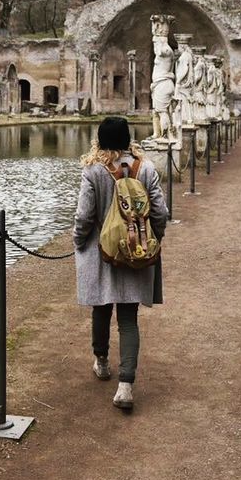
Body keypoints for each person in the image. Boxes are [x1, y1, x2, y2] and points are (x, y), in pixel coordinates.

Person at [73, 116, 169, 410]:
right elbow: (161, 213)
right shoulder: (147, 168)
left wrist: (79, 242)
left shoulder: (94, 171)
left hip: (102, 252)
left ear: (99, 141)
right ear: (129, 139)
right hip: (136, 252)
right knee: (129, 319)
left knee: (101, 309)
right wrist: (152, 240)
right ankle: (125, 386)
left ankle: (101, 362)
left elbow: (84, 217)